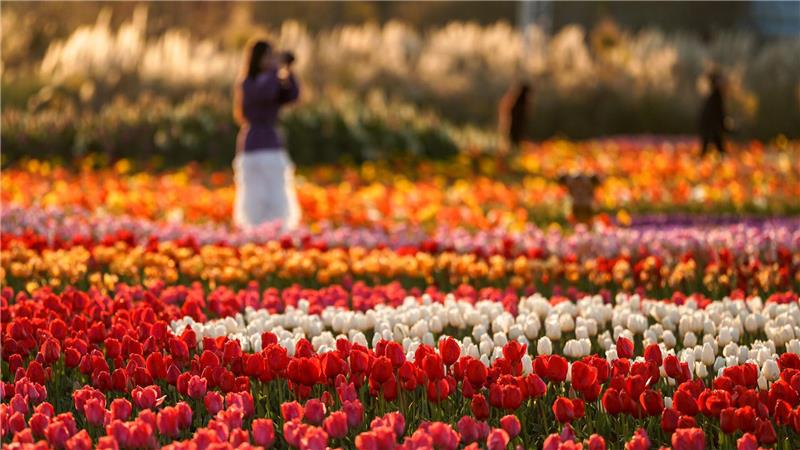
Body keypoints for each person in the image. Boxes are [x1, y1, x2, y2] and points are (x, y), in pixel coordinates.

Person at [233, 39, 301, 231]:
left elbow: (292, 95)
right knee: (254, 191)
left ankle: (278, 228)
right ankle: (254, 228)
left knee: (276, 190)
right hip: (253, 143)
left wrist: (288, 70)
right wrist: (275, 71)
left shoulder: (273, 80)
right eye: (268, 56)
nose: (272, 60)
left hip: (272, 143)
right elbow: (265, 94)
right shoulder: (248, 82)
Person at [698, 71, 729, 156]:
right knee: (718, 148)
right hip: (712, 127)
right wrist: (724, 124)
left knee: (713, 148)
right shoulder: (716, 97)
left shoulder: (714, 96)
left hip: (710, 126)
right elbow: (718, 113)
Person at [498, 81, 532, 149]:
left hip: (515, 126)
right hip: (514, 126)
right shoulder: (517, 102)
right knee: (513, 141)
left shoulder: (516, 100)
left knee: (514, 142)